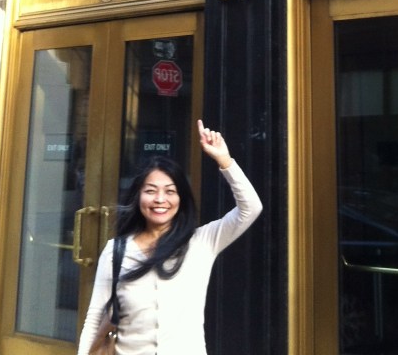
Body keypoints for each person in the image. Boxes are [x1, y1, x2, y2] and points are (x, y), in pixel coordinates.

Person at [76, 119, 262, 355]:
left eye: (170, 191)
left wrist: (224, 160)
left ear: (181, 199)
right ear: (138, 197)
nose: (160, 199)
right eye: (150, 191)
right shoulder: (116, 251)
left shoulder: (202, 241)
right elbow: (94, 320)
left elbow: (251, 208)